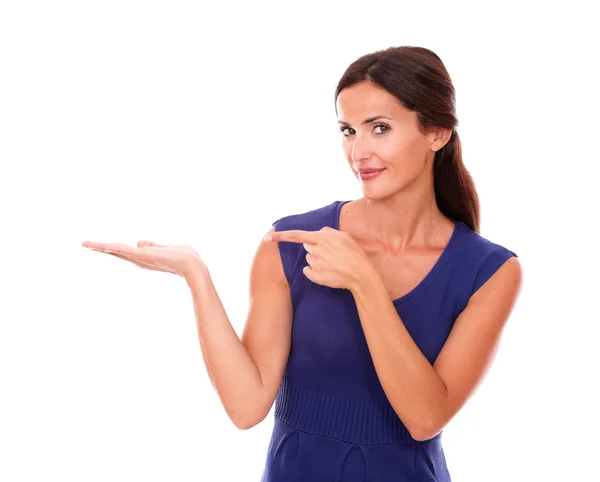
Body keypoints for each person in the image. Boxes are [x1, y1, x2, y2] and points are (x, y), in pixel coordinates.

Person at [82, 45, 522, 481]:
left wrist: (364, 283)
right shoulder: (292, 243)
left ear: (437, 133)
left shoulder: (490, 271)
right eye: (348, 131)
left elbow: (425, 418)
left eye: (380, 128)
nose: (358, 153)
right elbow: (246, 406)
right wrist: (196, 276)